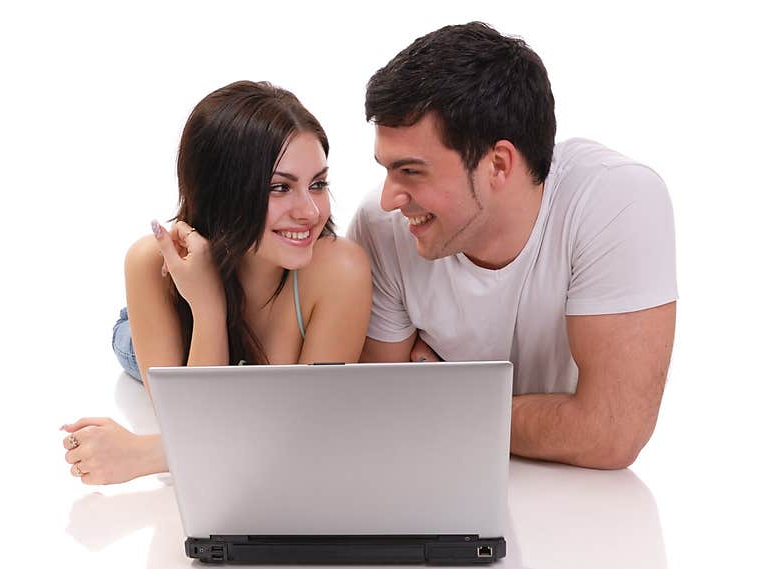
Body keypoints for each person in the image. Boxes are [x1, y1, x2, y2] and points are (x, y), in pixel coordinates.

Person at [348, 22, 677, 470]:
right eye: (387, 170)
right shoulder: (382, 225)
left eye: (411, 171)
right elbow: (381, 417)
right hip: (441, 484)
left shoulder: (615, 200)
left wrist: (450, 400)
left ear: (498, 164)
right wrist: (555, 416)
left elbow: (610, 433)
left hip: (584, 503)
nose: (390, 198)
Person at [61, 81, 372, 485]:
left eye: (317, 183)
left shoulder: (340, 270)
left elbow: (311, 433)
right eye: (280, 187)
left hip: (229, 341)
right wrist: (207, 306)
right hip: (165, 328)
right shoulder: (150, 264)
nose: (310, 211)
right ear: (223, 192)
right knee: (131, 346)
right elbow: (190, 426)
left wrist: (144, 453)